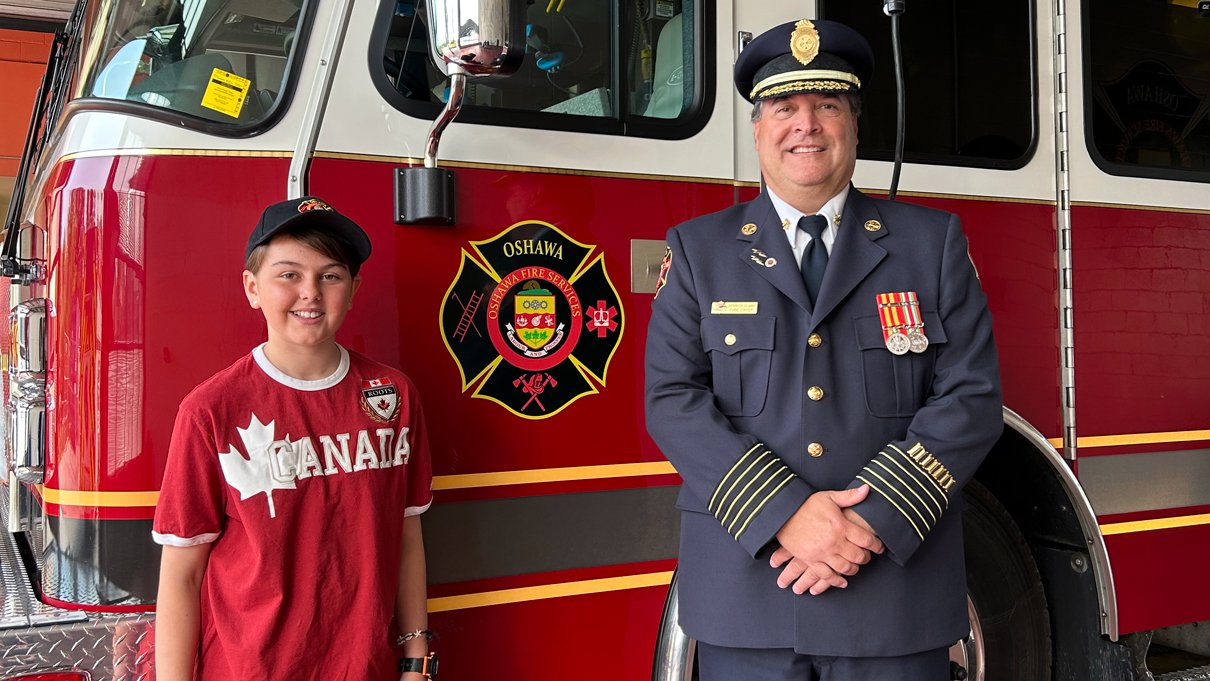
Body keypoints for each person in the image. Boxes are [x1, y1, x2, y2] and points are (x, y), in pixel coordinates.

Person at [644, 18, 1001, 681]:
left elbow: (972, 396)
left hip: (893, 595)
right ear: (757, 130)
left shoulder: (934, 243)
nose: (804, 125)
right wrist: (786, 514)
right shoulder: (698, 252)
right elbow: (672, 400)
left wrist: (867, 522)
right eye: (784, 107)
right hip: (748, 595)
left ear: (854, 126)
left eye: (825, 106)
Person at [153, 197, 437, 681]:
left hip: (365, 669)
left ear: (352, 290)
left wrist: (416, 660)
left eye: (330, 276)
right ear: (252, 288)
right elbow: (182, 574)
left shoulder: (395, 396)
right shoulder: (211, 411)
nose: (310, 293)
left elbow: (406, 537)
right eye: (288, 275)